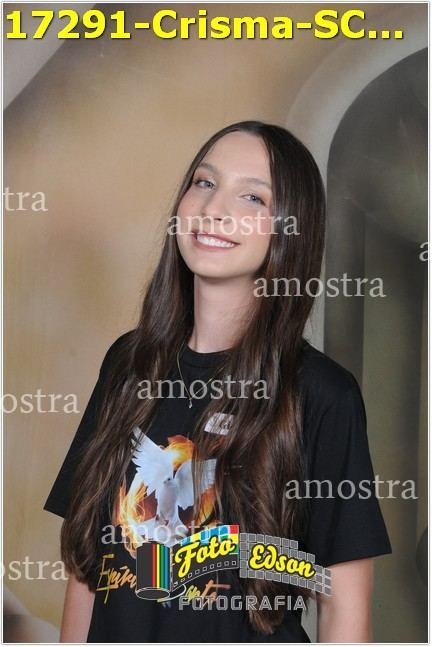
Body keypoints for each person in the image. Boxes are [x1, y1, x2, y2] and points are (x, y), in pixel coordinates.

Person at [44, 120, 392, 643]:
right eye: (204, 182)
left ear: (290, 229)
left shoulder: (321, 394)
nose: (214, 209)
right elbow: (87, 570)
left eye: (253, 197)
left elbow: (343, 609)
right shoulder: (127, 365)